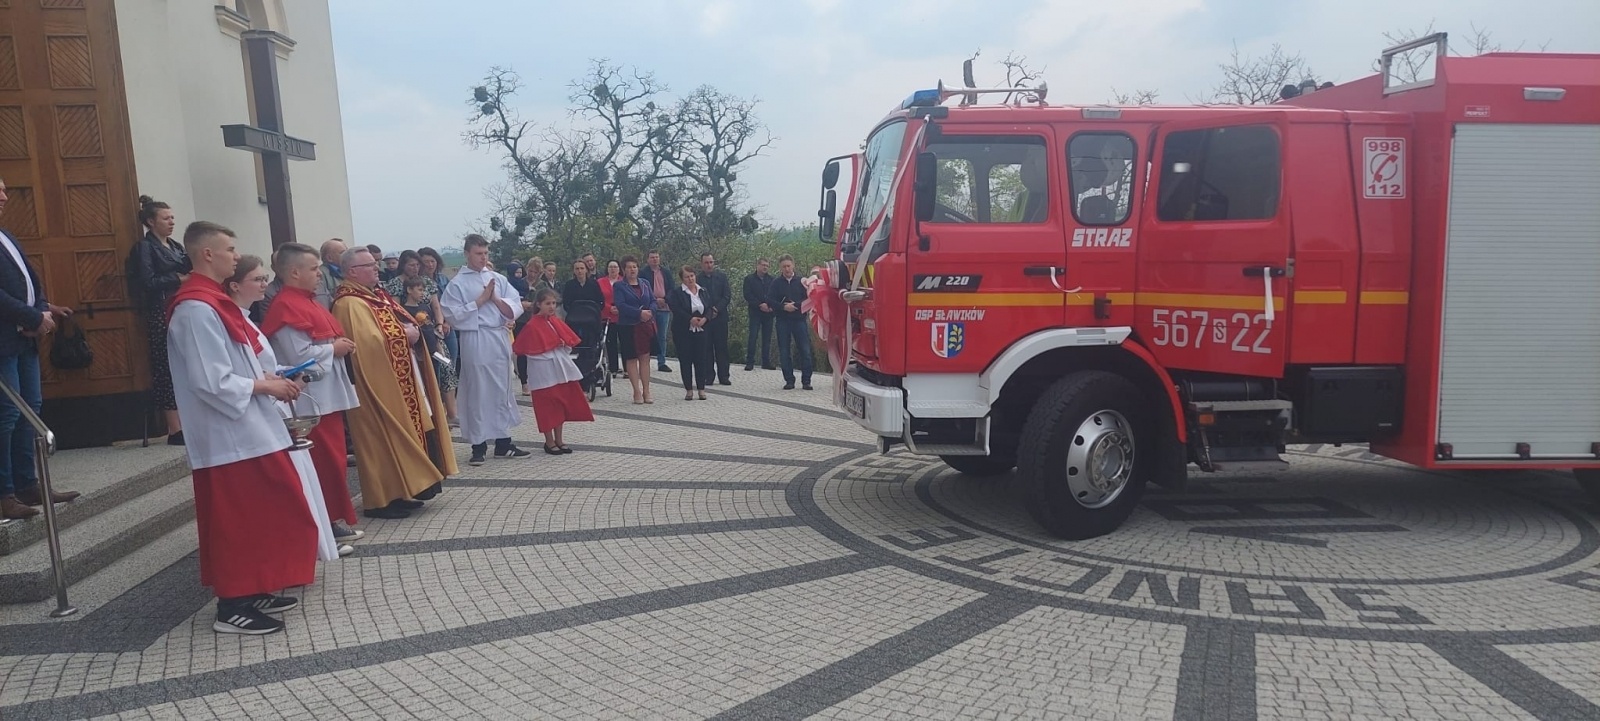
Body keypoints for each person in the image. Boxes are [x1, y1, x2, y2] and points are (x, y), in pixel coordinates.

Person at [166, 222, 317, 634]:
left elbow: (241, 363)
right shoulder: (195, 309)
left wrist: (274, 377)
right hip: (226, 436)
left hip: (252, 426)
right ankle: (232, 605)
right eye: (230, 249)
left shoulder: (215, 303)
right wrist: (266, 384)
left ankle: (257, 585)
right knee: (239, 519)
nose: (237, 255)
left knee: (269, 510)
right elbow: (209, 380)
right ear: (208, 254)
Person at [225, 256, 345, 561]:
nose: (265, 284)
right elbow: (231, 376)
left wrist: (286, 372)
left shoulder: (247, 318)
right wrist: (274, 380)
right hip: (262, 412)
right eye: (257, 279)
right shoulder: (236, 318)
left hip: (278, 399)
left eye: (265, 278)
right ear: (235, 285)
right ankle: (308, 544)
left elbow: (264, 364)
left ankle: (317, 539)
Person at [332, 247, 457, 519]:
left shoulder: (374, 296)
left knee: (397, 435)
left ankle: (401, 492)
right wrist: (404, 334)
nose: (377, 268)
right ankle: (380, 500)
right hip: (374, 386)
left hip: (397, 377)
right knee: (379, 439)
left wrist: (413, 331)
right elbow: (367, 344)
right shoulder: (349, 303)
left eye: (376, 264)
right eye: (370, 265)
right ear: (352, 271)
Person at [261, 243, 364, 544]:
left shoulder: (307, 301)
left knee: (334, 461)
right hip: (312, 400)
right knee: (325, 462)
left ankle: (332, 518)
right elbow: (298, 354)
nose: (320, 274)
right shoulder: (286, 305)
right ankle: (327, 522)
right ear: (294, 272)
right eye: (313, 269)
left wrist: (335, 344)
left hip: (328, 395)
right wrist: (335, 347)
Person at [0, 179, 79, 520]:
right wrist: (32, 315)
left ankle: (28, 482)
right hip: (5, 338)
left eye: (4, 189)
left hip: (25, 338)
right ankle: (4, 493)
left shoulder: (7, 236)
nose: (5, 196)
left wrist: (44, 309)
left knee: (30, 408)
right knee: (6, 415)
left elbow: (31, 280)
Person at [440, 234, 529, 466]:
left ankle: (503, 442)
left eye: (486, 253)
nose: (483, 258)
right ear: (467, 253)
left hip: (498, 336)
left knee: (502, 387)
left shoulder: (497, 278)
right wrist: (479, 301)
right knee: (478, 390)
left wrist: (496, 300)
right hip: (475, 337)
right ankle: (478, 445)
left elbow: (515, 305)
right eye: (479, 253)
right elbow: (451, 314)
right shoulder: (458, 282)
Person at [131, 195, 190, 445]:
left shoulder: (176, 246)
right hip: (160, 310)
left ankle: (188, 419)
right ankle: (174, 427)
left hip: (180, 307)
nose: (171, 222)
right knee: (165, 365)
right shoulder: (145, 247)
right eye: (166, 218)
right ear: (151, 222)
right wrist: (179, 279)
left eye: (173, 217)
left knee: (185, 363)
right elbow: (147, 281)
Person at [513, 288, 594, 454]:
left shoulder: (555, 321)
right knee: (546, 405)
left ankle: (559, 439)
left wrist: (563, 345)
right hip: (543, 371)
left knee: (559, 403)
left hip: (558, 369)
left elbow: (567, 343)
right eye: (547, 303)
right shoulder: (532, 325)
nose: (551, 307)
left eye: (553, 303)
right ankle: (549, 441)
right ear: (538, 305)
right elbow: (525, 349)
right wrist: (550, 346)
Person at [383, 250, 457, 426]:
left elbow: (436, 306)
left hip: (433, 337)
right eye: (411, 265)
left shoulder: (426, 283)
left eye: (417, 265)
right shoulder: (395, 285)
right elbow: (396, 311)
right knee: (424, 376)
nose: (415, 268)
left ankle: (452, 413)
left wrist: (439, 325)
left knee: (446, 368)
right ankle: (431, 414)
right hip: (416, 341)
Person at [612, 256, 656, 405]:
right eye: (629, 267)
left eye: (635, 266)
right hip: (628, 326)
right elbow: (621, 305)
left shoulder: (645, 283)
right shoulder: (619, 286)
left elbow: (653, 301)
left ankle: (647, 390)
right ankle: (636, 391)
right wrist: (639, 313)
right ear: (624, 270)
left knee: (645, 358)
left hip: (644, 326)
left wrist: (650, 312)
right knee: (631, 359)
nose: (632, 269)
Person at [667, 265, 713, 401]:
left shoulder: (703, 291)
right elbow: (676, 308)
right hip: (683, 331)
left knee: (701, 359)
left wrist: (705, 319)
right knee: (686, 360)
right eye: (687, 277)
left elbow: (710, 307)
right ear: (682, 279)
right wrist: (690, 319)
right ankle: (688, 389)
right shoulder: (677, 293)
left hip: (702, 329)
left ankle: (701, 389)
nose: (690, 279)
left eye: (692, 275)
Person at [768, 255, 814, 391]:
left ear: (793, 265)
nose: (787, 269)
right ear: (780, 268)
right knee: (784, 351)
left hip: (799, 320)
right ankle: (789, 380)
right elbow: (770, 300)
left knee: (805, 350)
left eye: (788, 266)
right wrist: (783, 307)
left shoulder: (801, 282)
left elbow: (810, 298)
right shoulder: (776, 283)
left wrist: (797, 305)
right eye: (784, 267)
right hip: (783, 321)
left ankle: (806, 381)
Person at [697, 253, 733, 385]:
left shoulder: (722, 277)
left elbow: (727, 296)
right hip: (705, 319)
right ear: (702, 264)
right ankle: (708, 376)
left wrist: (717, 309)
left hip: (721, 317)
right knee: (706, 348)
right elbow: (697, 297)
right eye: (706, 263)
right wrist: (708, 312)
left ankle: (724, 376)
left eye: (711, 262)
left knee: (722, 348)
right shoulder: (698, 279)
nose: (709, 265)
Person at [742, 258, 776, 372]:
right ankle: (749, 362)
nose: (765, 267)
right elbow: (747, 295)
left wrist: (770, 306)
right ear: (757, 265)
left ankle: (766, 362)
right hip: (755, 312)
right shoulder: (749, 279)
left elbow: (775, 295)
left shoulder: (772, 280)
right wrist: (759, 304)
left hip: (769, 313)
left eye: (767, 265)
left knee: (766, 338)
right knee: (753, 337)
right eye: (763, 265)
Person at [645, 251, 673, 372]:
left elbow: (672, 288)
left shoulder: (666, 272)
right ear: (648, 259)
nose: (655, 259)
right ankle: (645, 361)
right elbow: (642, 289)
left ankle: (662, 362)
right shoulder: (643, 273)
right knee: (647, 335)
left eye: (656, 257)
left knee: (662, 336)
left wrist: (665, 299)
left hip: (664, 308)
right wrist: (654, 301)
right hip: (650, 308)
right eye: (652, 257)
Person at [598, 259, 622, 376]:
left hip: (622, 316)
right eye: (610, 267)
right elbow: (598, 298)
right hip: (606, 316)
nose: (613, 269)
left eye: (615, 267)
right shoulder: (600, 282)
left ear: (619, 269)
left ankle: (628, 369)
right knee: (610, 342)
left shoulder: (624, 281)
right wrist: (609, 308)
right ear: (607, 269)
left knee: (625, 342)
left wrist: (620, 308)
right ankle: (613, 368)